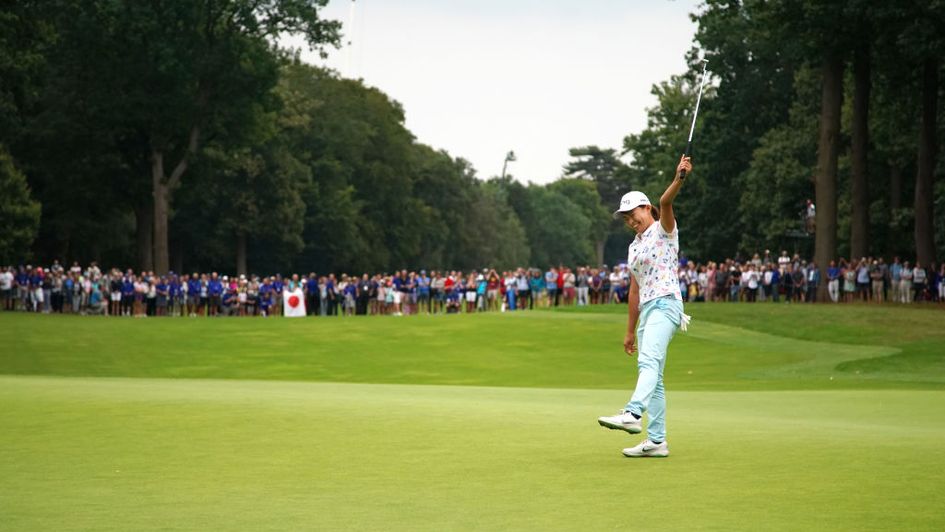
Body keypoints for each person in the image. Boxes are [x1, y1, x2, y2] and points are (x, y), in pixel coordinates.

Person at [598, 155, 692, 459]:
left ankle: (632, 413)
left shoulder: (664, 231)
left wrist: (679, 178)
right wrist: (629, 331)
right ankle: (657, 441)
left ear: (645, 207)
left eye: (633, 213)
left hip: (667, 305)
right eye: (625, 217)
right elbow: (634, 290)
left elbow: (666, 203)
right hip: (647, 310)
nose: (630, 220)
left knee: (648, 363)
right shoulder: (634, 246)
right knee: (657, 377)